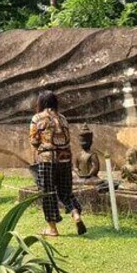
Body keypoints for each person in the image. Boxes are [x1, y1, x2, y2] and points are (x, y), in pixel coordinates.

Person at [30, 91, 87, 237]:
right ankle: (75, 214)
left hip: (47, 161)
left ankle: (52, 229)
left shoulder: (37, 118)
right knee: (66, 192)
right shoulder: (63, 118)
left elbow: (34, 141)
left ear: (41, 102)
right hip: (65, 159)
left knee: (48, 193)